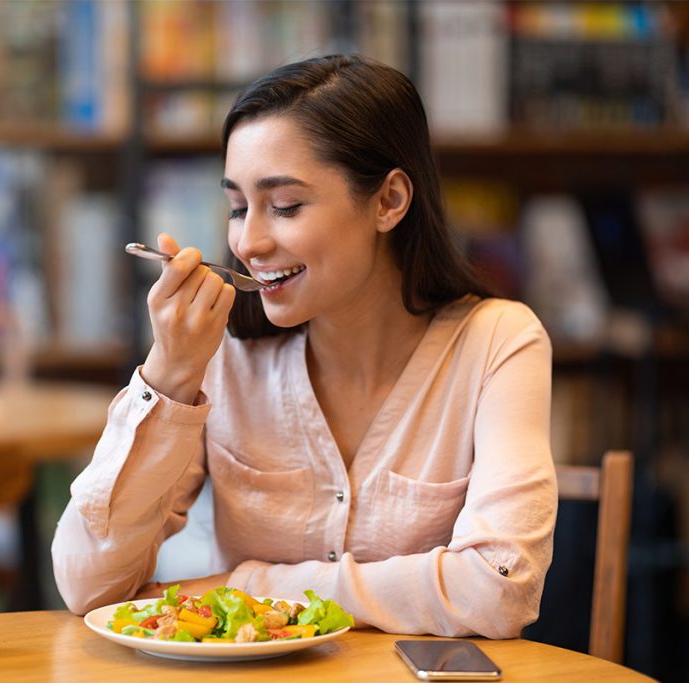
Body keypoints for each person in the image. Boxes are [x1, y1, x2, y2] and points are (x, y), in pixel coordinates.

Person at [52, 55, 556, 638]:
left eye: (285, 206)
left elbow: (500, 587)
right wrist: (168, 375)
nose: (249, 242)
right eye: (238, 208)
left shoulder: (498, 342)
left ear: (389, 201)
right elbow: (88, 585)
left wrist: (242, 588)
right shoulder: (218, 356)